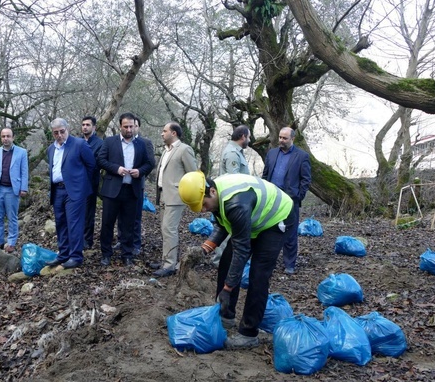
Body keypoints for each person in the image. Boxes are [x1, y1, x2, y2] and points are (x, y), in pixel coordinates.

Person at [178, 171, 295, 349]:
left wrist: (227, 288)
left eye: (203, 204)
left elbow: (242, 250)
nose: (202, 210)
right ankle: (226, 315)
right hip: (253, 219)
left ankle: (249, 333)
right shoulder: (216, 195)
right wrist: (204, 249)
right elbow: (223, 224)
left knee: (258, 274)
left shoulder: (235, 203)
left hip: (276, 218)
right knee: (226, 259)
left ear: (212, 192)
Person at [98, 112, 154, 266]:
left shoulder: (141, 144)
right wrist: (116, 169)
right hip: (112, 190)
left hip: (132, 189)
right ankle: (106, 254)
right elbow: (101, 160)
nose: (129, 129)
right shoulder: (110, 142)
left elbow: (149, 163)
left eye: (131, 126)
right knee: (107, 223)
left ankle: (127, 254)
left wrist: (140, 171)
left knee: (129, 224)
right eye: (126, 126)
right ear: (120, 126)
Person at [45, 118, 96, 269]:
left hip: (74, 191)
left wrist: (81, 186)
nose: (59, 135)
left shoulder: (79, 144)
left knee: (74, 224)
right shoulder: (51, 149)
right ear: (52, 133)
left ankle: (76, 257)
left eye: (62, 131)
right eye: (56, 133)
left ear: (67, 129)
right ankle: (63, 255)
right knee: (61, 223)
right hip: (57, 190)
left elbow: (91, 166)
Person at [262, 127, 311, 274]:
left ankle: (289, 264)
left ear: (292, 139)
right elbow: (265, 175)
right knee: (269, 230)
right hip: (272, 199)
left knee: (290, 233)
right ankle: (268, 261)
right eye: (280, 137)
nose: (281, 141)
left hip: (290, 200)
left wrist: (298, 196)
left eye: (285, 138)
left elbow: (306, 179)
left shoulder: (301, 156)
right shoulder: (271, 154)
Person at [152, 122, 197, 278]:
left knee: (169, 229)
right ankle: (166, 259)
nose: (162, 134)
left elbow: (194, 174)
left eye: (165, 131)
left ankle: (170, 265)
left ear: (174, 133)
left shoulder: (184, 150)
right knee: (165, 229)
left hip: (176, 196)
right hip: (163, 195)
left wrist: (184, 190)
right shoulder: (166, 151)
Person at [0, 127, 29, 253]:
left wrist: (23, 188)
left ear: (13, 137)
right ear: (1, 137)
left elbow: (24, 172)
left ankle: (11, 243)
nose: (6, 138)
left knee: (12, 218)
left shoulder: (21, 152)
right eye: (3, 136)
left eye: (8, 136)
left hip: (12, 190)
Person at [212, 125, 251, 267]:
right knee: (227, 230)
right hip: (231, 199)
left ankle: (224, 260)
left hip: (236, 199)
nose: (249, 140)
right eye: (249, 137)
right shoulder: (232, 153)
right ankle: (220, 261)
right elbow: (233, 179)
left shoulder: (237, 151)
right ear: (243, 137)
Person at [81, 115, 103, 251]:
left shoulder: (99, 143)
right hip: (76, 183)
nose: (85, 127)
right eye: (83, 124)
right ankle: (77, 238)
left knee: (89, 212)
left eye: (88, 125)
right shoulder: (77, 142)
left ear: (94, 127)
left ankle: (87, 240)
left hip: (91, 183)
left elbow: (97, 163)